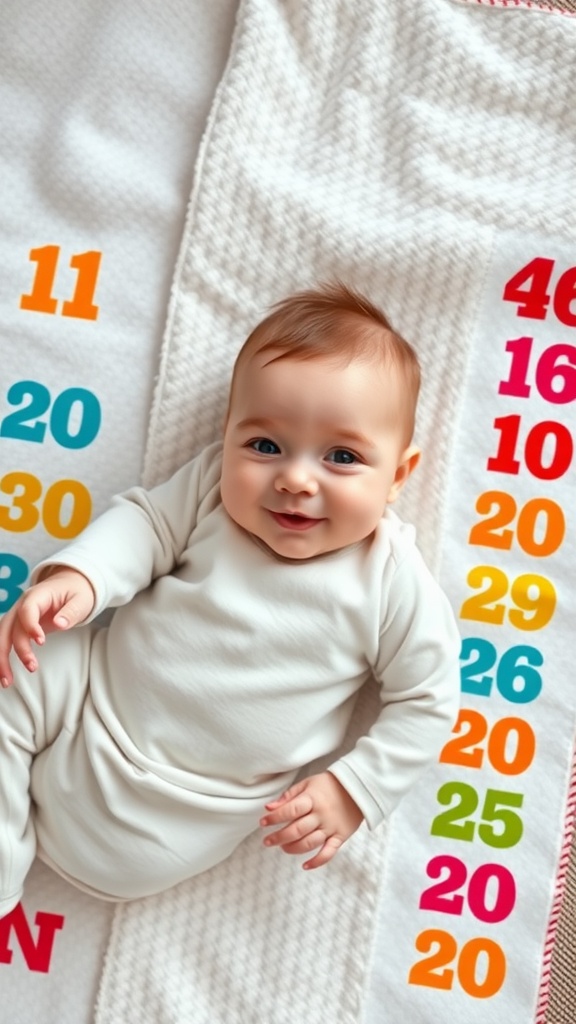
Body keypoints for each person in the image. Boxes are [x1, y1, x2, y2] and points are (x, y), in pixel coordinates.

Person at [0, 282, 460, 917]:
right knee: (19, 656)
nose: (295, 478)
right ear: (229, 433)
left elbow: (428, 699)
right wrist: (82, 578)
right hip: (85, 704)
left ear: (398, 476)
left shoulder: (390, 580)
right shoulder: (215, 488)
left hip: (181, 815)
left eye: (343, 457)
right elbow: (146, 526)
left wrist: (355, 788)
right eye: (264, 446)